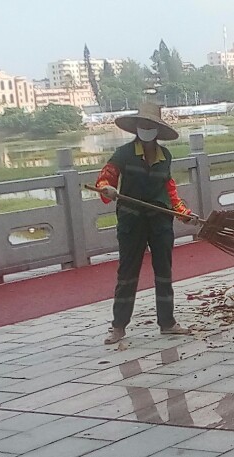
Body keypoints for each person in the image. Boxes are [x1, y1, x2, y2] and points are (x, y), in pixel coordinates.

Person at [94, 101, 194, 344]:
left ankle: (167, 322)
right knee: (127, 273)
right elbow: (106, 177)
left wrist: (183, 213)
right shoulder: (124, 153)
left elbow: (169, 191)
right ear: (137, 127)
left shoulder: (165, 156)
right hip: (132, 220)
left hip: (160, 220)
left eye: (150, 126)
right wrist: (106, 188)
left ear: (157, 130)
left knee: (164, 272)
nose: (146, 129)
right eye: (142, 125)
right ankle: (118, 326)